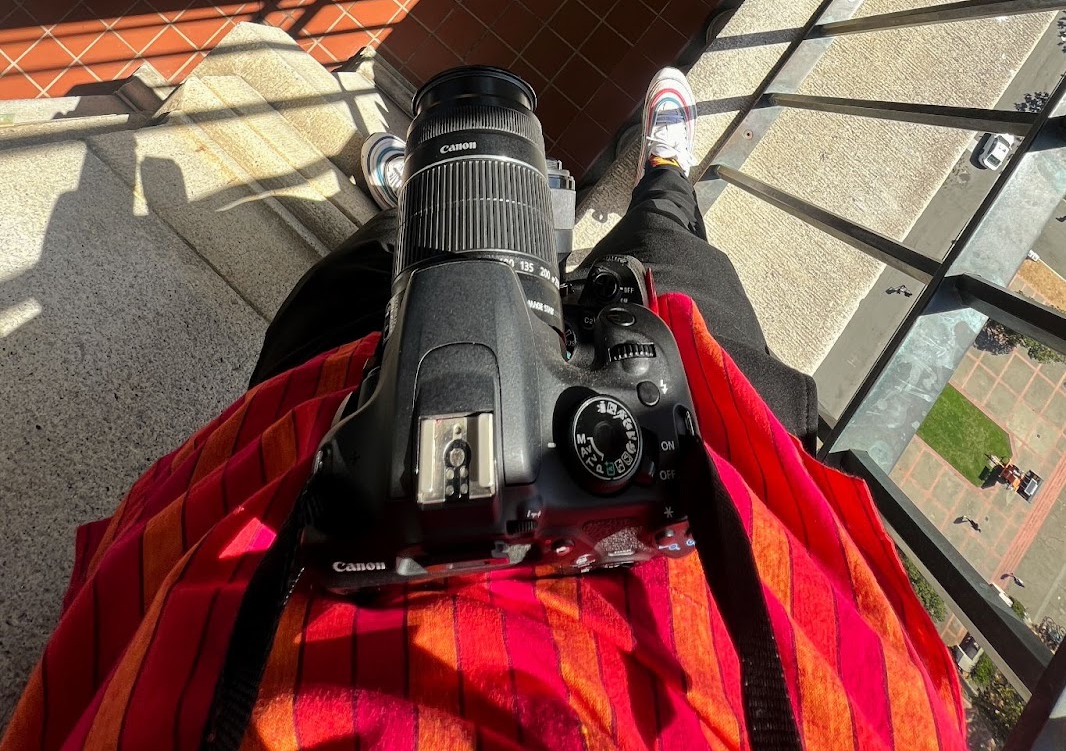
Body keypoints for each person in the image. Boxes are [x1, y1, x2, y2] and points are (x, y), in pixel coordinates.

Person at [2, 70, 966, 751]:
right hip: (685, 632)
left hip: (328, 545)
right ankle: (667, 178)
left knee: (364, 295)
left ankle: (406, 214)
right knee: (681, 283)